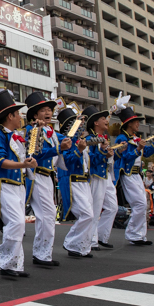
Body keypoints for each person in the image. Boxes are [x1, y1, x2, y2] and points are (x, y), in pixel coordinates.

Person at [0, 89, 36, 277]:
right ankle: (5, 263)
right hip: (3, 184)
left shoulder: (15, 135)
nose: (21, 116)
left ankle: (15, 264)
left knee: (19, 225)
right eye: (18, 113)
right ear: (10, 116)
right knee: (15, 223)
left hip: (18, 184)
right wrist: (23, 164)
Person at [23, 92, 71, 267]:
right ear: (35, 115)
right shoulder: (31, 130)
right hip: (35, 176)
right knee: (47, 215)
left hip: (48, 177)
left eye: (50, 109)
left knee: (47, 215)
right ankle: (41, 254)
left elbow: (68, 141)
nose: (48, 112)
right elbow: (34, 152)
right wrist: (58, 149)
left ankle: (43, 253)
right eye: (43, 110)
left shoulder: (51, 132)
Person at [112, 99, 154, 245]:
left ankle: (139, 235)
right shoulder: (122, 138)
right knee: (139, 204)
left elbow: (145, 153)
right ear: (128, 124)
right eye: (135, 121)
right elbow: (124, 157)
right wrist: (138, 149)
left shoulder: (136, 138)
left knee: (143, 205)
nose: (138, 124)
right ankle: (134, 233)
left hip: (136, 175)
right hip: (127, 174)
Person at [57, 107, 96, 259]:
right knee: (86, 214)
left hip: (84, 181)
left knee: (90, 215)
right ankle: (72, 243)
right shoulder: (66, 141)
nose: (81, 127)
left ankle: (82, 246)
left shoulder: (80, 141)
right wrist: (78, 150)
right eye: (78, 125)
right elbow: (68, 162)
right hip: (73, 180)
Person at [83, 105, 117, 251]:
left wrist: (108, 154)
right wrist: (104, 154)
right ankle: (91, 240)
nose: (106, 121)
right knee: (95, 209)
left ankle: (101, 236)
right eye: (103, 118)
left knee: (113, 207)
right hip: (95, 176)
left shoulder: (103, 138)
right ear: (95, 123)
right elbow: (89, 159)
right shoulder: (89, 139)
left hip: (106, 175)